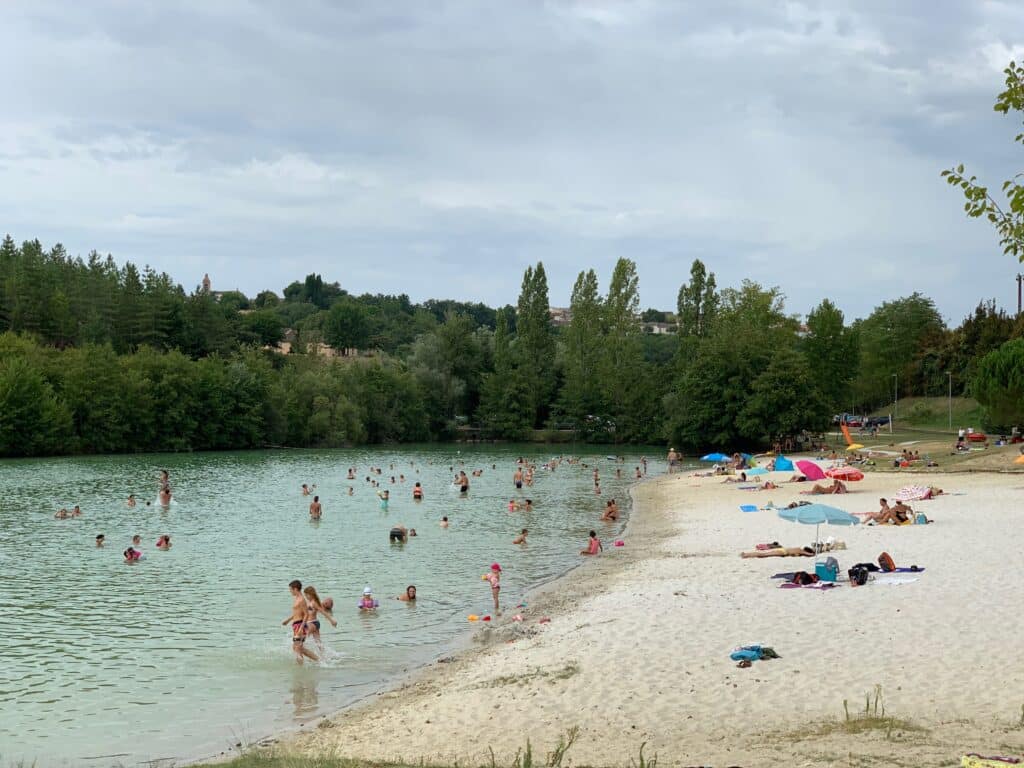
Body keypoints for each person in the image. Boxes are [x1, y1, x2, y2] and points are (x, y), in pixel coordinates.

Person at [283, 580, 318, 664]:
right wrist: (288, 620)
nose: (290, 592)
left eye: (291, 590)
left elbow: (306, 614)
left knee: (297, 648)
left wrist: (301, 629)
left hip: (300, 625)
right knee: (298, 648)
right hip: (296, 624)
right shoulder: (297, 598)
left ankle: (301, 669)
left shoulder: (302, 600)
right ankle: (318, 660)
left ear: (295, 589)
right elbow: (296, 613)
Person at [303, 585, 337, 650]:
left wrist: (332, 620)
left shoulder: (314, 603)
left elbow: (323, 612)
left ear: (310, 594)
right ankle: (324, 657)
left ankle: (304, 654)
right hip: (314, 623)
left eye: (306, 595)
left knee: (302, 638)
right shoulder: (310, 602)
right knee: (318, 643)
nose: (306, 596)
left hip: (312, 623)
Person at [741, 546, 815, 558]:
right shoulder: (800, 551)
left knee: (763, 554)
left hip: (782, 550)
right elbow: (810, 554)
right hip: (783, 552)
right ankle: (745, 555)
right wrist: (814, 553)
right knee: (763, 554)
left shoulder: (798, 548)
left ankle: (746, 554)